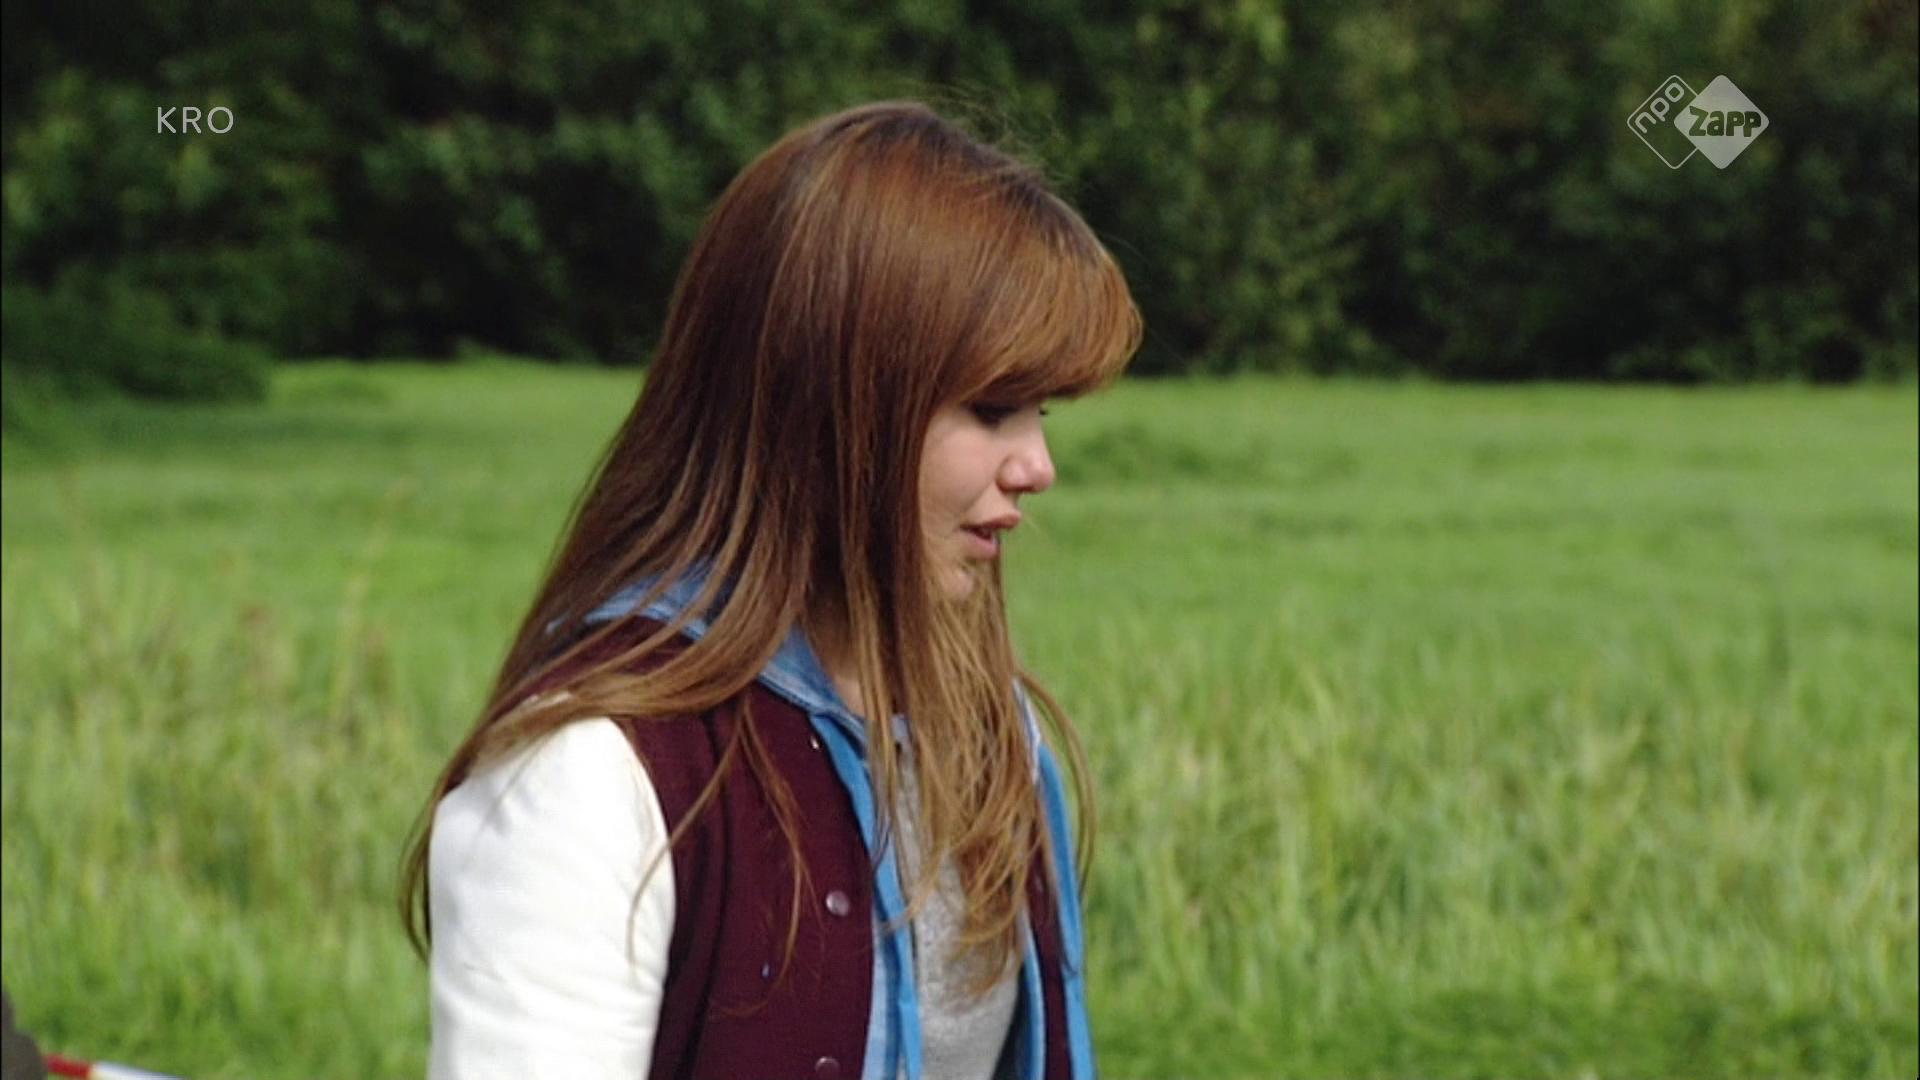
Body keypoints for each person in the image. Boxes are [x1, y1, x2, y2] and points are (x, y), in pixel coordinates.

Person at [402, 100, 1143, 1080]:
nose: (1038, 465)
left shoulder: (991, 729)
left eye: (1042, 411)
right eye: (993, 408)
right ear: (827, 401)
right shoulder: (589, 772)